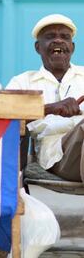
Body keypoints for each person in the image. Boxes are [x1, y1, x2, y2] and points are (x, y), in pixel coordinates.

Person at [6, 14, 84, 183]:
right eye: (50, 37)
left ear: (72, 47)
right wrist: (49, 108)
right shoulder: (22, 82)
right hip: (56, 158)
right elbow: (4, 117)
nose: (58, 41)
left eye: (65, 37)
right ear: (38, 47)